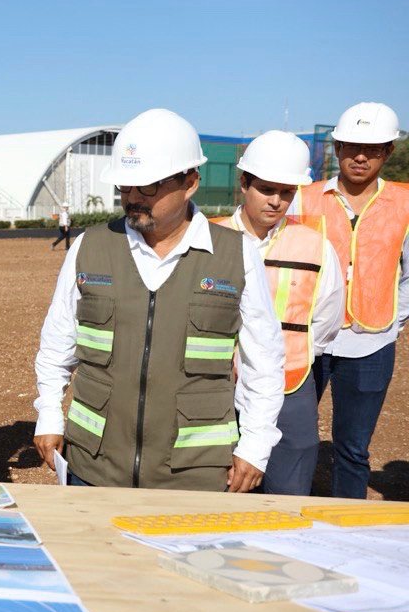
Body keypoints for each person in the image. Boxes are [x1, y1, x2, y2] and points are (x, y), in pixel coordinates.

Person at [32, 108, 284, 492]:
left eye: (147, 187)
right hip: (95, 468)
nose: (132, 198)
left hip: (195, 475)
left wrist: (255, 445)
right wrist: (49, 415)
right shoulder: (89, 248)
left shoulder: (237, 256)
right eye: (124, 186)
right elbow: (56, 344)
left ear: (190, 182)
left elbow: (263, 361)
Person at [210, 131, 344, 496]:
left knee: (287, 496)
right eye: (266, 189)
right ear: (244, 183)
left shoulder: (316, 246)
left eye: (286, 192)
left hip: (290, 386)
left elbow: (327, 319)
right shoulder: (208, 239)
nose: (276, 201)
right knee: (211, 501)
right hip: (211, 390)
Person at [295, 102, 409, 499]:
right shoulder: (303, 199)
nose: (361, 156)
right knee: (292, 442)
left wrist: (394, 318)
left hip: (372, 343)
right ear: (338, 147)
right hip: (308, 340)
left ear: (388, 152)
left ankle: (347, 533)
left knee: (353, 449)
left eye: (373, 148)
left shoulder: (405, 203)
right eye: (352, 146)